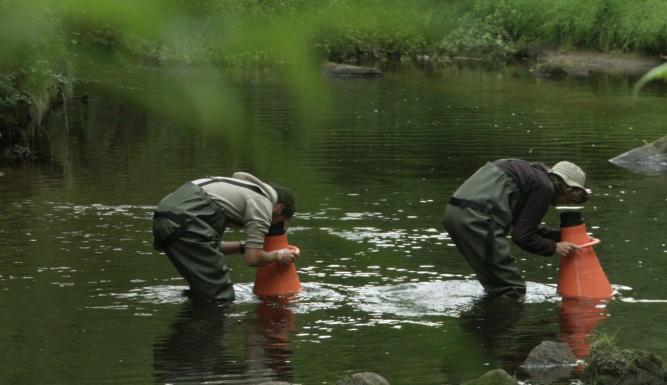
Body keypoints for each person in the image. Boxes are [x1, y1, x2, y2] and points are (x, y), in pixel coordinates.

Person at [442, 159, 589, 298]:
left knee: (496, 283)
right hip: (478, 220)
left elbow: (525, 225)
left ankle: (484, 321)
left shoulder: (524, 172)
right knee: (512, 289)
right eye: (570, 199)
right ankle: (497, 323)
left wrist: (563, 235)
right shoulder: (544, 187)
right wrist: (555, 247)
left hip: (455, 214)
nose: (565, 203)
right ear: (565, 188)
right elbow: (522, 237)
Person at [152, 172, 299, 302]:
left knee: (203, 291)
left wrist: (244, 246)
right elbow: (253, 259)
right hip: (186, 222)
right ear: (279, 208)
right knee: (220, 298)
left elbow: (211, 246)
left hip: (166, 218)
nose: (272, 227)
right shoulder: (262, 203)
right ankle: (205, 331)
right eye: (279, 223)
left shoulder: (233, 192)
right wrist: (279, 255)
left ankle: (192, 328)